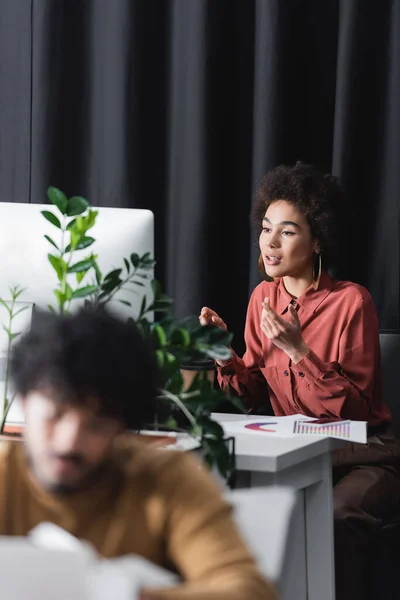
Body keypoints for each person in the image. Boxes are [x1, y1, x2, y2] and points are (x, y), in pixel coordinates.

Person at [199, 162, 400, 600]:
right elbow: (250, 395)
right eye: (266, 228)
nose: (270, 243)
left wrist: (298, 351)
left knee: (336, 517)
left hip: (363, 457)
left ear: (317, 241)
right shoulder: (261, 299)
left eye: (287, 232)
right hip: (294, 453)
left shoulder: (351, 303)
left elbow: (359, 410)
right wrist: (222, 354)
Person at [0, 308, 274, 600]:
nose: (70, 443)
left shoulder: (165, 478)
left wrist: (129, 595)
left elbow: (248, 591)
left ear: (123, 427)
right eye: (54, 416)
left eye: (97, 425)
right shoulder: (5, 475)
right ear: (26, 402)